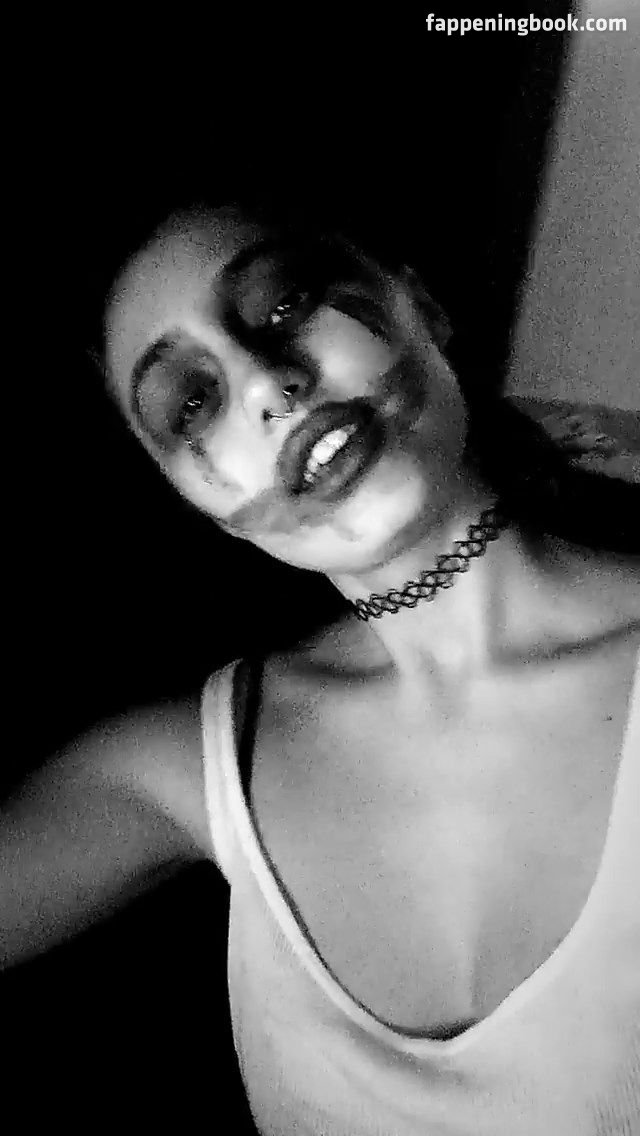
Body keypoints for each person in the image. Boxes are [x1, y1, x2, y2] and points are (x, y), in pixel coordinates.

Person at [2, 203, 639, 1135]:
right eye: (191, 404)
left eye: (285, 303)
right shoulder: (189, 768)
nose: (269, 382)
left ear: (419, 302)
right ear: (193, 499)